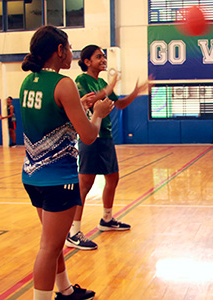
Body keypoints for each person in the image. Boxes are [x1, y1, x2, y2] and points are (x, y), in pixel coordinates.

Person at [20, 26, 114, 300]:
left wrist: (81, 107)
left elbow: (56, 120)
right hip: (58, 180)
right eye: (69, 47)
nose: (71, 52)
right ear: (59, 50)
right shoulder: (64, 84)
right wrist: (96, 113)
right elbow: (88, 135)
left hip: (32, 176)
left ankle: (66, 290)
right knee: (49, 248)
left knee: (55, 241)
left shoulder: (28, 82)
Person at [65, 44, 151, 251]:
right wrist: (110, 87)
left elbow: (119, 104)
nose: (103, 60)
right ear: (87, 62)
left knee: (113, 178)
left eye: (104, 57)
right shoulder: (81, 81)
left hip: (105, 137)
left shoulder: (102, 81)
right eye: (98, 57)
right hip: (89, 136)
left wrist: (136, 92)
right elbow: (92, 100)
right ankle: (73, 232)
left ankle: (107, 219)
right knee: (84, 185)